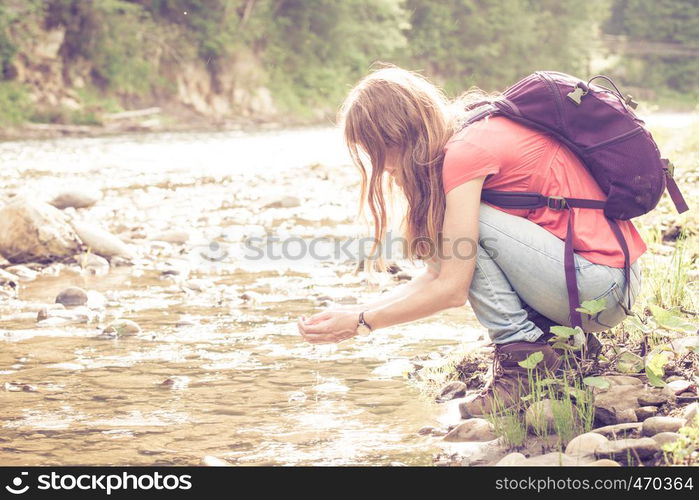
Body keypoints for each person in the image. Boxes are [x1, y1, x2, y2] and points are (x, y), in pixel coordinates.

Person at [297, 66, 644, 417]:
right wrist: (358, 315)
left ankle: (524, 362)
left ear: (396, 134)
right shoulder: (470, 131)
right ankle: (560, 348)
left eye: (374, 151)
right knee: (462, 236)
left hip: (601, 289)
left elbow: (451, 288)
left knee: (468, 229)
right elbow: (437, 275)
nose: (380, 166)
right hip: (600, 286)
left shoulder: (466, 152)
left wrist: (363, 322)